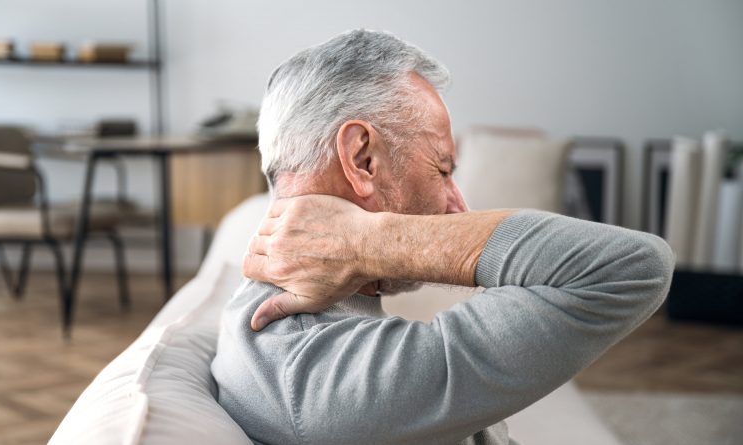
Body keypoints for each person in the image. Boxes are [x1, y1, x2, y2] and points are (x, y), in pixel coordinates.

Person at [211, 29, 674, 445]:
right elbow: (633, 266)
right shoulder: (314, 375)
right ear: (362, 159)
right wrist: (366, 241)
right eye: (442, 170)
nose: (458, 207)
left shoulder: (305, 335)